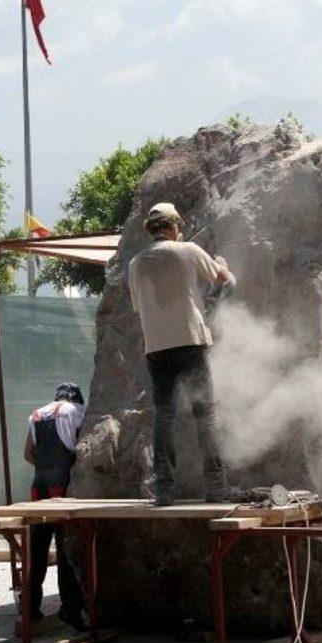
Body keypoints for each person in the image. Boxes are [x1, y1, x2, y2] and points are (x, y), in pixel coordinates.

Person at [128, 202, 235, 506]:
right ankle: (216, 487)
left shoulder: (135, 264)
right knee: (206, 413)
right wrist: (222, 264)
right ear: (174, 226)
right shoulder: (188, 249)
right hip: (190, 341)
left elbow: (140, 307)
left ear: (151, 229)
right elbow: (223, 279)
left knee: (164, 416)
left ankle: (164, 489)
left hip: (156, 348)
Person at [23, 381, 86, 629]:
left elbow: (28, 453)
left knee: (36, 549)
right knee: (65, 550)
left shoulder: (37, 414)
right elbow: (83, 448)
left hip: (39, 486)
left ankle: (30, 608)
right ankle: (70, 609)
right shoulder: (76, 411)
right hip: (62, 485)